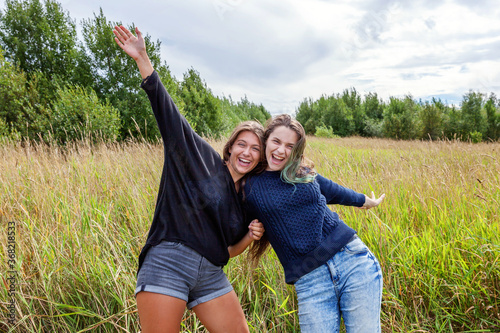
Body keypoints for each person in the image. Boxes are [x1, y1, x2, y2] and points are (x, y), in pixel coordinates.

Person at [113, 25, 265, 333]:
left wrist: (250, 235)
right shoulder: (200, 157)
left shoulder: (248, 198)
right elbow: (168, 112)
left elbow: (227, 252)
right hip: (169, 260)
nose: (247, 153)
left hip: (211, 273)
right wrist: (143, 58)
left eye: (255, 149)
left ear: (260, 158)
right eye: (242, 144)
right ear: (231, 146)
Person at [244, 114, 385, 332]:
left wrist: (367, 201)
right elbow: (232, 223)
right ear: (266, 141)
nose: (281, 150)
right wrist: (251, 230)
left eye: (290, 146)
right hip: (310, 281)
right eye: (276, 142)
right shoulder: (250, 185)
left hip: (353, 261)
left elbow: (334, 191)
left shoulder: (301, 172)